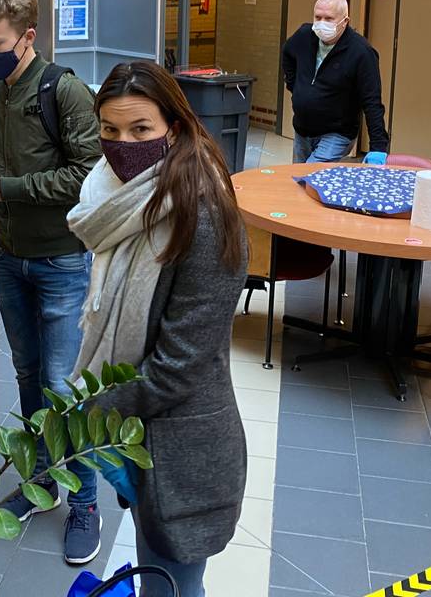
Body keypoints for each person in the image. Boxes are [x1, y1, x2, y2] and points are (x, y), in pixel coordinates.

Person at [0, 0, 104, 564]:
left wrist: (4, 187)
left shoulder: (64, 92)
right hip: (8, 257)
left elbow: (91, 176)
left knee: (63, 388)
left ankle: (85, 502)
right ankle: (42, 481)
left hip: (60, 259)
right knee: (29, 378)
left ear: (28, 37)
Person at [68, 61, 247, 597]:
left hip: (181, 444)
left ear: (176, 125)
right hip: (137, 429)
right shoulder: (114, 194)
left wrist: (90, 410)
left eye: (141, 129)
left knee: (172, 586)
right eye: (109, 130)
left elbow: (178, 366)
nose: (122, 144)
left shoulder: (203, 212)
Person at [282, 0, 390, 164]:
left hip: (337, 132)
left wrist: (378, 147)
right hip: (302, 129)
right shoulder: (304, 35)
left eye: (329, 18)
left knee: (307, 178)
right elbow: (287, 52)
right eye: (318, 17)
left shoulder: (361, 52)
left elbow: (372, 102)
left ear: (345, 21)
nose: (321, 23)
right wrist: (295, 86)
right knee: (297, 182)